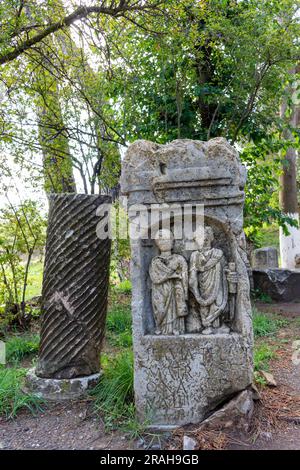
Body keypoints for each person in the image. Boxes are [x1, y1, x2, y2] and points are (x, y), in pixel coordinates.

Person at [189, 226, 230, 334]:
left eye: (206, 236)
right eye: (200, 237)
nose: (204, 239)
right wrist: (194, 288)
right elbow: (192, 273)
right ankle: (208, 325)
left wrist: (229, 273)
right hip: (203, 284)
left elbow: (225, 267)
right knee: (204, 305)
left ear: (211, 238)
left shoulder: (218, 253)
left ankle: (220, 324)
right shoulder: (195, 255)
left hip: (219, 283)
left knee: (219, 302)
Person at [149, 229, 188, 335]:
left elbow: (184, 276)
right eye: (160, 240)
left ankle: (176, 328)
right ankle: (160, 327)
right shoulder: (155, 261)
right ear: (157, 244)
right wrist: (171, 274)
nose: (163, 242)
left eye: (166, 239)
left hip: (175, 288)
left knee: (175, 307)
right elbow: (155, 278)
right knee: (161, 310)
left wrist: (184, 291)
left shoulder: (179, 259)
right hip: (160, 290)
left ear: (172, 241)